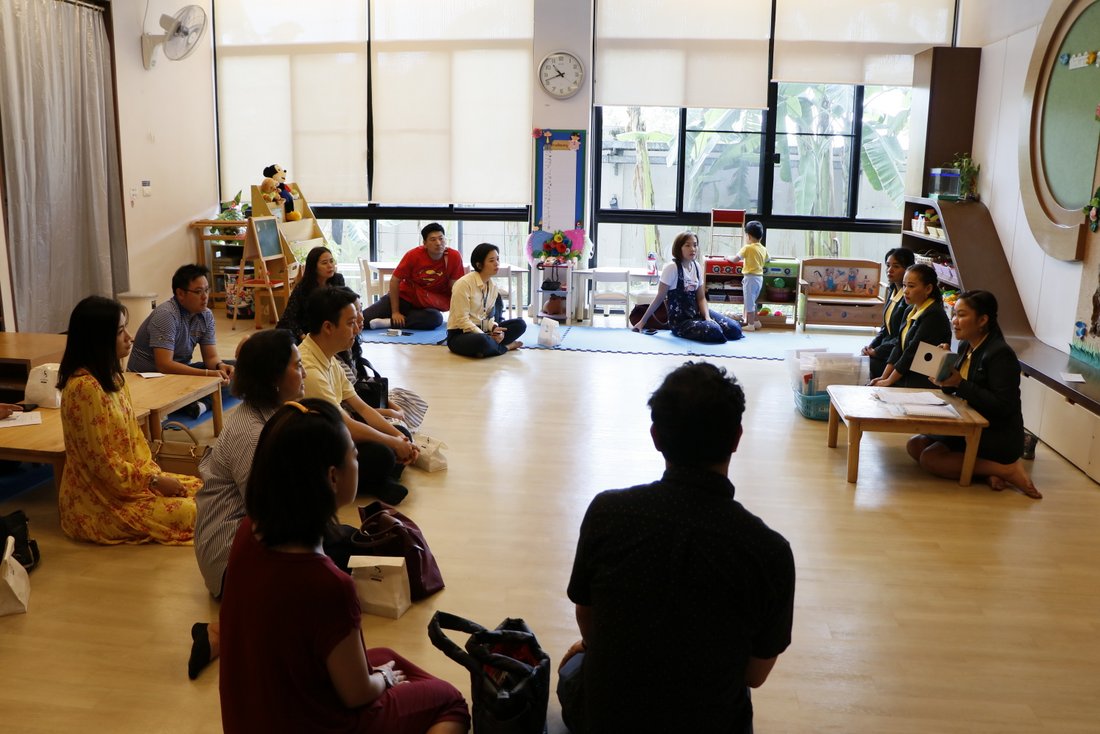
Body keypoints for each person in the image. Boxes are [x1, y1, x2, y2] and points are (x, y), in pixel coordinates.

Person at [559, 362, 795, 733]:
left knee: (575, 665)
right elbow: (754, 675)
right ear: (736, 437)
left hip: (606, 719)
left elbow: (587, 620)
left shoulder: (608, 512)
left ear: (656, 436)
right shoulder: (767, 551)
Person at [218, 398, 471, 734]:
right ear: (333, 477)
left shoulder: (248, 531)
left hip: (252, 717)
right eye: (354, 454)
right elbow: (356, 694)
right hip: (316, 722)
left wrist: (382, 674)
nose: (358, 460)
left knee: (387, 657)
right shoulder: (328, 584)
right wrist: (383, 679)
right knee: (450, 702)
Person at [187, 329, 306, 680]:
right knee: (329, 573)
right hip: (231, 560)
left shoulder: (270, 414)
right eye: (297, 366)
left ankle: (223, 630)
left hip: (249, 544)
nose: (304, 372)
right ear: (273, 377)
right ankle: (223, 631)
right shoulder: (252, 432)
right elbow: (269, 512)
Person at [57, 296, 201, 545]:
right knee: (193, 511)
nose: (130, 337)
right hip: (100, 503)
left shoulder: (113, 378)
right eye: (120, 332)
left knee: (205, 490)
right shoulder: (84, 389)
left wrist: (153, 477)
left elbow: (135, 441)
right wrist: (153, 481)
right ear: (98, 339)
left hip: (133, 483)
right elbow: (103, 464)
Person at [907, 290, 1042, 499]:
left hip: (996, 433)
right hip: (969, 422)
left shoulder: (1000, 354)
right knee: (915, 445)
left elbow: (1003, 406)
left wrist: (959, 383)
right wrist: (944, 372)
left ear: (982, 320)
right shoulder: (966, 345)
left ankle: (1007, 470)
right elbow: (957, 387)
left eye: (961, 315)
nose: (954, 321)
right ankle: (988, 472)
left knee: (930, 459)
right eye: (954, 314)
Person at [301, 286, 418, 504]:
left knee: (402, 433)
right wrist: (393, 443)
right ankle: (377, 481)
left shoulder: (329, 357)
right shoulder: (309, 370)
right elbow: (345, 426)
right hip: (318, 452)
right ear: (328, 327)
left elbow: (361, 407)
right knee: (383, 454)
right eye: (350, 323)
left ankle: (378, 480)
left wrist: (399, 438)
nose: (356, 329)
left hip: (338, 433)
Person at [127, 264, 234, 417]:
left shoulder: (206, 315)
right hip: (151, 379)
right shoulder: (167, 315)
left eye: (206, 290)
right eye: (198, 292)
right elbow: (164, 365)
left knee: (240, 368)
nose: (205, 296)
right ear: (180, 294)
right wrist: (207, 374)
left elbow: (211, 357)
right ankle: (196, 403)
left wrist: (220, 366)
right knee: (216, 379)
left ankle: (199, 405)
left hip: (180, 374)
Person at [630, 231, 742, 343]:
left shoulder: (697, 267)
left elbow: (701, 298)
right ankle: (716, 332)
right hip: (680, 322)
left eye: (695, 245)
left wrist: (707, 317)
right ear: (679, 248)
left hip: (697, 314)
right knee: (715, 330)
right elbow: (659, 298)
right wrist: (642, 322)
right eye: (687, 245)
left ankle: (716, 329)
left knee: (735, 329)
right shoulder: (671, 268)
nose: (692, 249)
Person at [363, 223, 466, 331]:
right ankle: (395, 319)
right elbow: (395, 280)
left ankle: (389, 323)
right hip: (403, 298)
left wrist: (460, 315)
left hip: (427, 305)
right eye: (433, 239)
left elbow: (456, 288)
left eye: (441, 238)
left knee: (435, 319)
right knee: (362, 320)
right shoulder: (414, 255)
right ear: (424, 243)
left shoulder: (453, 256)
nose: (438, 243)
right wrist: (395, 312)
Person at [869, 263, 952, 389]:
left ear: (928, 289)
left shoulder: (934, 314)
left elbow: (912, 351)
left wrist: (889, 381)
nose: (905, 291)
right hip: (906, 374)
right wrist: (884, 377)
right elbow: (899, 346)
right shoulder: (910, 309)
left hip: (923, 381)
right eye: (904, 285)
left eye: (911, 286)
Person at [446, 243, 526, 358]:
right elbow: (462, 320)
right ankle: (506, 347)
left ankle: (488, 348)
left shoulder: (493, 286)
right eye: (491, 260)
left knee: (520, 324)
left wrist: (495, 329)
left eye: (497, 259)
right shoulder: (463, 284)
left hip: (484, 331)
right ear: (479, 265)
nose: (496, 263)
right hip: (461, 334)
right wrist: (486, 336)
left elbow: (489, 317)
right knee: (482, 341)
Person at [861, 248, 917, 379]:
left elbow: (902, 338)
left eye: (896, 266)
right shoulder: (892, 290)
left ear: (908, 269)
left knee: (865, 367)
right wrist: (871, 347)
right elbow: (885, 329)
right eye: (888, 265)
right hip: (885, 349)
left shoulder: (909, 300)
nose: (889, 270)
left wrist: (877, 352)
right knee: (861, 360)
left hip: (896, 356)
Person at [276, 246, 346, 341]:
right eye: (324, 263)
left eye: (331, 261)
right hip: (305, 330)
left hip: (328, 327)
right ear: (314, 267)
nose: (330, 265)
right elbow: (288, 318)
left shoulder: (338, 280)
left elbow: (343, 307)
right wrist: (302, 336)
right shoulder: (303, 287)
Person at [730, 220, 767, 331]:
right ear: (761, 236)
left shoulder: (747, 248)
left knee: (749, 303)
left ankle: (750, 324)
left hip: (750, 278)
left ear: (748, 236)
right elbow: (768, 259)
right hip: (759, 278)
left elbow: (735, 259)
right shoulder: (763, 248)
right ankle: (756, 321)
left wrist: (727, 257)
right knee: (753, 301)